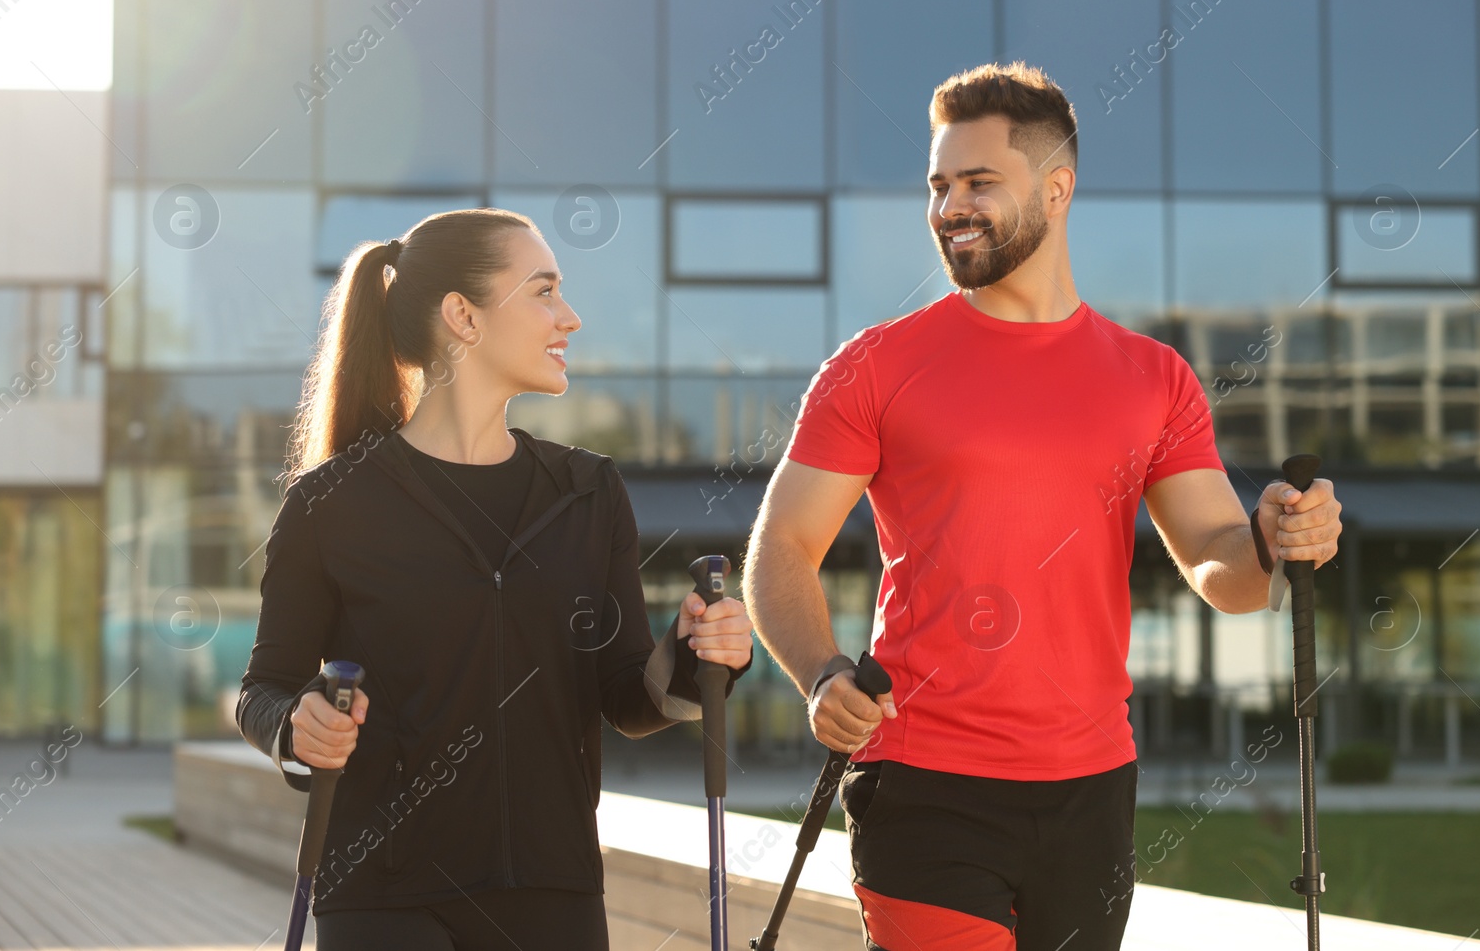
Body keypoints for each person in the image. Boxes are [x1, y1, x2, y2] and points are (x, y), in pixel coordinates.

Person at [745, 62, 1343, 951]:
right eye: (940, 184)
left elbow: (1226, 567)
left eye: (980, 182)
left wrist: (1275, 540)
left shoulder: (1155, 379)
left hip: (1091, 789)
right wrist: (824, 672)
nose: (952, 205)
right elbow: (781, 547)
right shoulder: (875, 365)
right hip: (923, 778)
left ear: (1057, 188)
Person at [236, 208, 754, 950]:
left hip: (555, 894)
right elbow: (265, 688)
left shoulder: (587, 491)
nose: (569, 317)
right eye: (544, 291)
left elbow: (629, 696)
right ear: (462, 316)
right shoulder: (330, 504)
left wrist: (697, 647)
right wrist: (296, 727)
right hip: (385, 898)